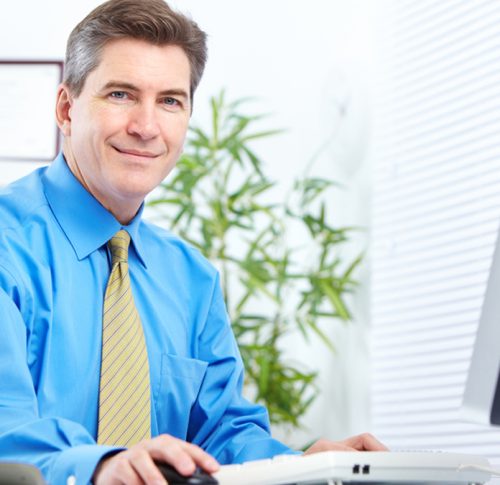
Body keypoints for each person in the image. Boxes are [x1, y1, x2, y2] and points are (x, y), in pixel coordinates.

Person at [0, 0, 386, 483]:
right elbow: (5, 424)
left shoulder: (191, 278)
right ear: (66, 109)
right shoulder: (7, 247)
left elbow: (221, 434)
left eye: (170, 101)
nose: (146, 127)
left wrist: (298, 465)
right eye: (120, 94)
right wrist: (101, 467)